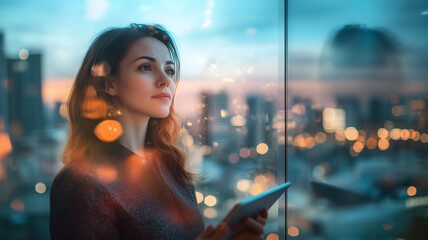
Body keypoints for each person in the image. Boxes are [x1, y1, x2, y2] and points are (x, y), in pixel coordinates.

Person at [49, 23, 268, 240]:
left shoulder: (171, 166)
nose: (165, 80)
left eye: (169, 70)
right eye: (145, 67)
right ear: (110, 84)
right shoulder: (82, 181)